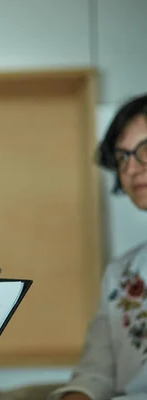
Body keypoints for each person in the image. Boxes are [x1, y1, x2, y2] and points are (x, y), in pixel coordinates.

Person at [49, 94, 147, 400]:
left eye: (145, 150)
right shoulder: (121, 275)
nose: (131, 168)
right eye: (122, 157)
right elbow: (96, 371)